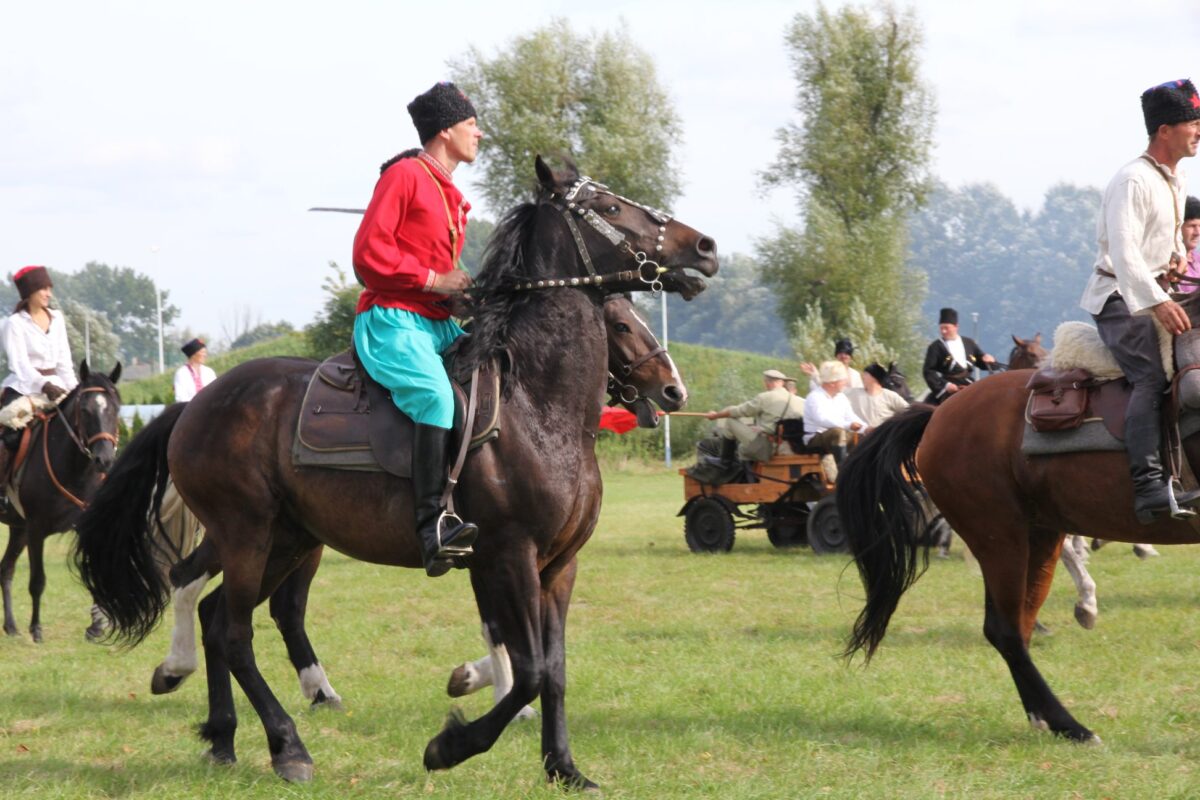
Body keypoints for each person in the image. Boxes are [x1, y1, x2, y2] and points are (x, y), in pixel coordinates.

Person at [352, 81, 484, 577]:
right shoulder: (406, 175)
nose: (479, 134)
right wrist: (434, 279)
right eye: (472, 125)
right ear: (447, 130)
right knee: (436, 398)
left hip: (436, 322)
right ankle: (431, 527)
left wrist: (460, 294)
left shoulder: (449, 192)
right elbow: (367, 255)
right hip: (391, 320)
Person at [1078, 78, 1200, 523]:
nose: (1199, 131)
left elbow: (1165, 245)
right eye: (1193, 123)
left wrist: (1177, 265)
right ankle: (1149, 486)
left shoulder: (1176, 176)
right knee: (1151, 375)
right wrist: (1157, 301)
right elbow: (1126, 256)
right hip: (1118, 296)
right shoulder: (1131, 180)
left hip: (1152, 290)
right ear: (1165, 130)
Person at [0, 266, 78, 475]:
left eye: (49, 289)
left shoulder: (58, 318)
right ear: (29, 292)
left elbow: (64, 362)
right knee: (11, 433)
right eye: (43, 289)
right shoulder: (14, 323)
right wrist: (43, 384)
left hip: (58, 385)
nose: (48, 294)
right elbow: (20, 365)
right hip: (24, 387)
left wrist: (76, 390)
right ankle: (3, 488)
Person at [703, 368, 802, 464]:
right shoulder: (801, 401)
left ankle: (725, 461)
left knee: (730, 422)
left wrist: (716, 415)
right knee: (747, 441)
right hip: (791, 447)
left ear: (767, 383)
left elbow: (737, 411)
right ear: (782, 383)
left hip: (768, 447)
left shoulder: (765, 397)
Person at [802, 360, 866, 482]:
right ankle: (842, 473)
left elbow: (851, 416)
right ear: (832, 383)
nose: (846, 383)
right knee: (838, 432)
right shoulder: (815, 397)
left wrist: (867, 428)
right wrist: (848, 425)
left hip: (835, 437)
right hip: (815, 439)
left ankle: (860, 470)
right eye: (843, 380)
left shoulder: (841, 398)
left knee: (864, 436)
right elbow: (822, 420)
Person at [922, 307, 996, 404]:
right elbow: (928, 371)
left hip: (969, 385)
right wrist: (946, 386)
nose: (943, 331)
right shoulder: (935, 347)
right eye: (941, 328)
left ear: (956, 326)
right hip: (948, 388)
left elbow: (981, 361)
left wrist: (989, 360)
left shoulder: (969, 343)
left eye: (946, 328)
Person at [846, 362, 909, 427]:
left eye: (865, 373)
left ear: (874, 377)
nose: (862, 376)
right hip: (859, 435)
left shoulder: (890, 396)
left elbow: (909, 411)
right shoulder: (853, 393)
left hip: (882, 435)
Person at [172, 338, 216, 402]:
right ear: (193, 355)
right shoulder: (181, 373)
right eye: (202, 352)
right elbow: (180, 398)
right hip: (190, 409)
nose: (205, 355)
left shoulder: (209, 372)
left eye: (205, 352)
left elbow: (215, 392)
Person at [1179, 196, 1200, 292]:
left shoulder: (1198, 259)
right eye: (1192, 226)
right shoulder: (1168, 264)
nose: (1197, 232)